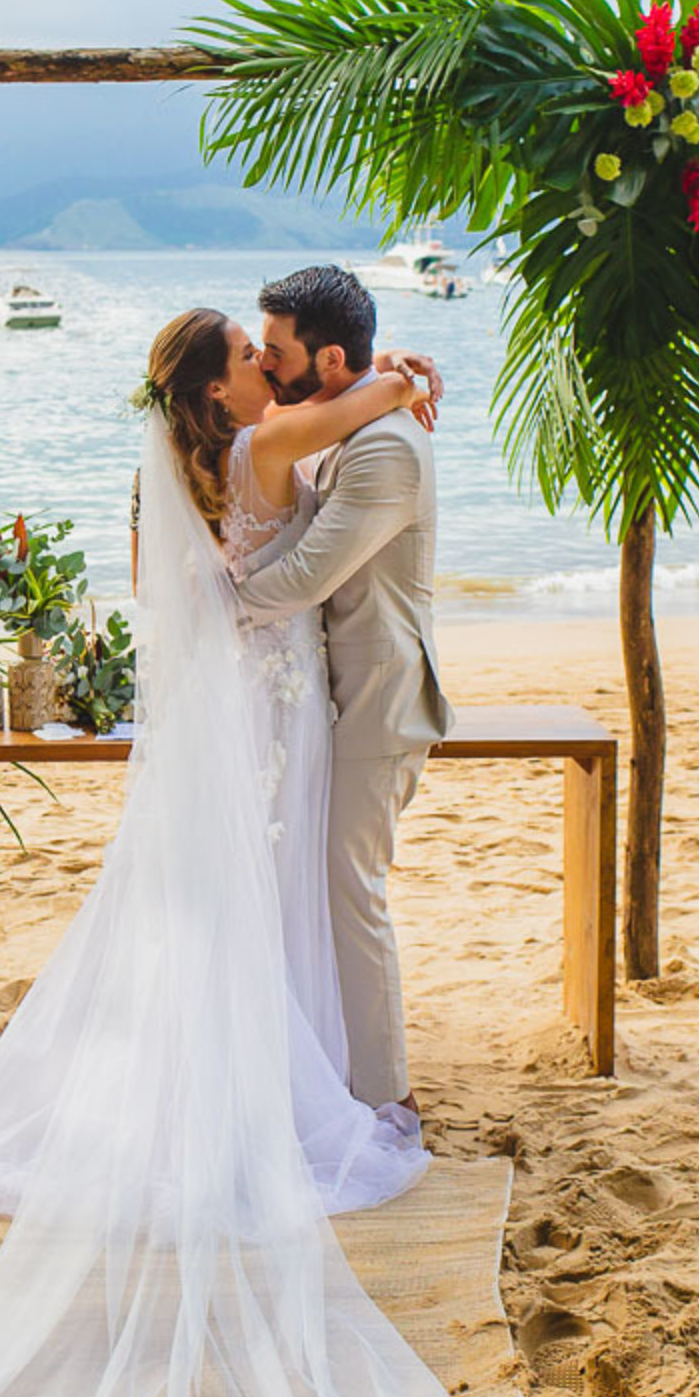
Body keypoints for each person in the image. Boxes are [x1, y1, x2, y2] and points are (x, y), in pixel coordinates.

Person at [0, 309, 450, 1397]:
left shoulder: (185, 475)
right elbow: (367, 401)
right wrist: (403, 372)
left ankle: (240, 1062)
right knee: (266, 884)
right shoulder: (261, 446)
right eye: (245, 356)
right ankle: (270, 1086)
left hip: (229, 700)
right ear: (219, 397)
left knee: (220, 889)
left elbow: (173, 588)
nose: (261, 364)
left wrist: (378, 381)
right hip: (279, 701)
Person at [235, 264, 456, 1117]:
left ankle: (386, 1101)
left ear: (329, 361)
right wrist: (394, 374)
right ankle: (335, 1078)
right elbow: (266, 417)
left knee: (350, 894)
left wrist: (206, 609)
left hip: (380, 700)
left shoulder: (390, 448)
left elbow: (305, 578)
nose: (263, 359)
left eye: (277, 350)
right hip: (335, 701)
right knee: (324, 891)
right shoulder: (352, 415)